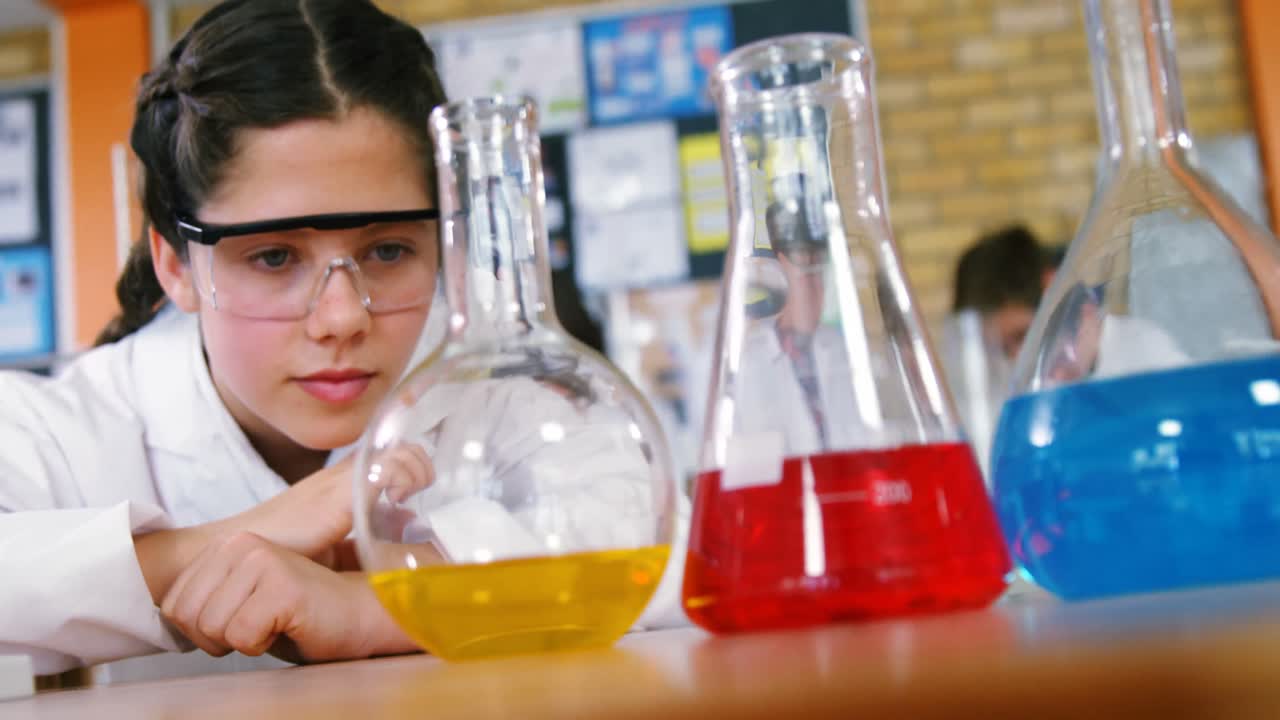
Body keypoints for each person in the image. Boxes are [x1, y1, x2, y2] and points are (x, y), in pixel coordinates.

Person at [0, 0, 681, 678]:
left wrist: (375, 607)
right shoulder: (67, 428)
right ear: (177, 265)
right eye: (273, 258)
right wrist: (232, 542)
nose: (341, 318)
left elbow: (677, 551)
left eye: (387, 251)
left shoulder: (492, 387)